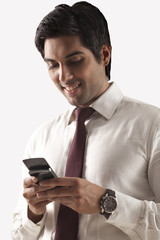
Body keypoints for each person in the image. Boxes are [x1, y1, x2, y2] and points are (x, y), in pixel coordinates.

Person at [12, 1, 160, 240]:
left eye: (75, 60)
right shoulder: (41, 137)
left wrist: (106, 202)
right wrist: (34, 212)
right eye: (53, 65)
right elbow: (19, 236)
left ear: (104, 54)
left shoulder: (153, 125)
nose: (64, 76)